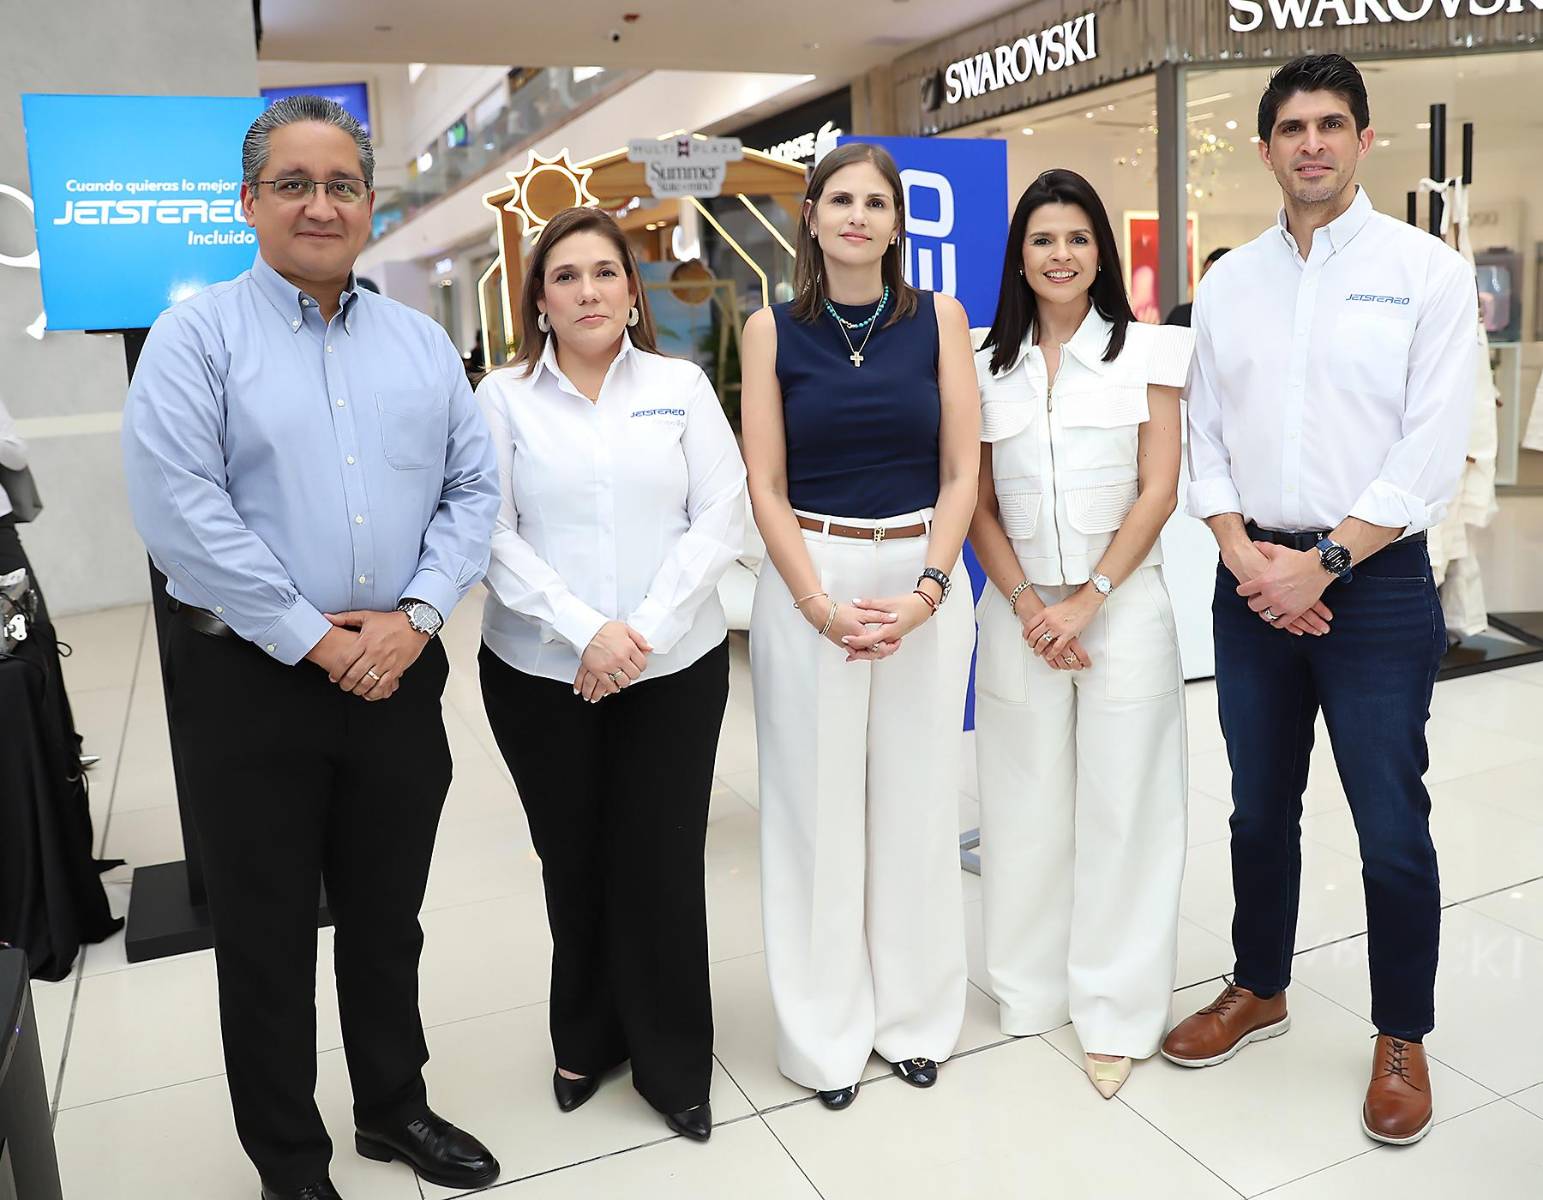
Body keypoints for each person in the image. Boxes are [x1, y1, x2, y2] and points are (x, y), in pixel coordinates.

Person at [122, 96, 501, 1200]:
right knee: (267, 938)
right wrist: (312, 641)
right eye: (293, 183)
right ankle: (290, 1163)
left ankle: (393, 1108)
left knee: (388, 920)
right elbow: (179, 510)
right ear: (248, 203)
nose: (320, 204)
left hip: (399, 673)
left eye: (341, 184)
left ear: (370, 203)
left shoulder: (420, 344)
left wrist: (419, 613)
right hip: (254, 684)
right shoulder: (196, 339)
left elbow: (474, 488)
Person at [1164, 54, 1476, 1147]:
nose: (1310, 143)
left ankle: (1402, 1032)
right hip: (1247, 577)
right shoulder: (1230, 281)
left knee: (1390, 821)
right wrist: (1246, 557)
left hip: (1375, 584)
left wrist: (1326, 563)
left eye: (1330, 124)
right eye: (1290, 127)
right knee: (1258, 807)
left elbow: (1432, 447)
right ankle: (1260, 984)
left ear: (1361, 139)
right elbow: (1199, 435)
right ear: (1263, 147)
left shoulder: (1424, 272)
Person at [475, 205, 745, 1143]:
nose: (587, 291)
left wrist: (641, 634)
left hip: (674, 668)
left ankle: (673, 1060)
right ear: (538, 301)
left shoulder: (678, 384)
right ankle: (586, 1035)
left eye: (604, 273)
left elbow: (722, 511)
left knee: (661, 861)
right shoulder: (502, 400)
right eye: (565, 276)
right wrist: (589, 632)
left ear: (633, 291)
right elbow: (488, 530)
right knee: (575, 860)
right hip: (539, 673)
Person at [741, 142, 979, 1109]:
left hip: (921, 570)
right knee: (814, 815)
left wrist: (926, 592)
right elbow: (763, 481)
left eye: (875, 202)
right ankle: (823, 1035)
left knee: (918, 804)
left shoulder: (941, 320)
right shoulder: (769, 329)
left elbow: (963, 471)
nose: (857, 216)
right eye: (839, 199)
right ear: (810, 214)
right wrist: (817, 603)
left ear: (896, 222)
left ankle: (915, 1020)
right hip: (813, 573)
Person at [970, 170, 1192, 1100]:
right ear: (1018, 257)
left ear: (1101, 251)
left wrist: (1088, 598)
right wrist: (1029, 605)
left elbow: (1158, 487)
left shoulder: (1148, 352)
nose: (1059, 255)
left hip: (1121, 608)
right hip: (1019, 611)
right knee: (1020, 809)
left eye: (1075, 238)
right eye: (1040, 240)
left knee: (1125, 809)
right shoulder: (983, 363)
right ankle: (1026, 992)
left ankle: (1117, 1011)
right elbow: (972, 500)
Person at [1163, 247, 1230, 327]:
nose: (1208, 283)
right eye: (1205, 276)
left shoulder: (1238, 318)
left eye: (1217, 278)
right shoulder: (1180, 314)